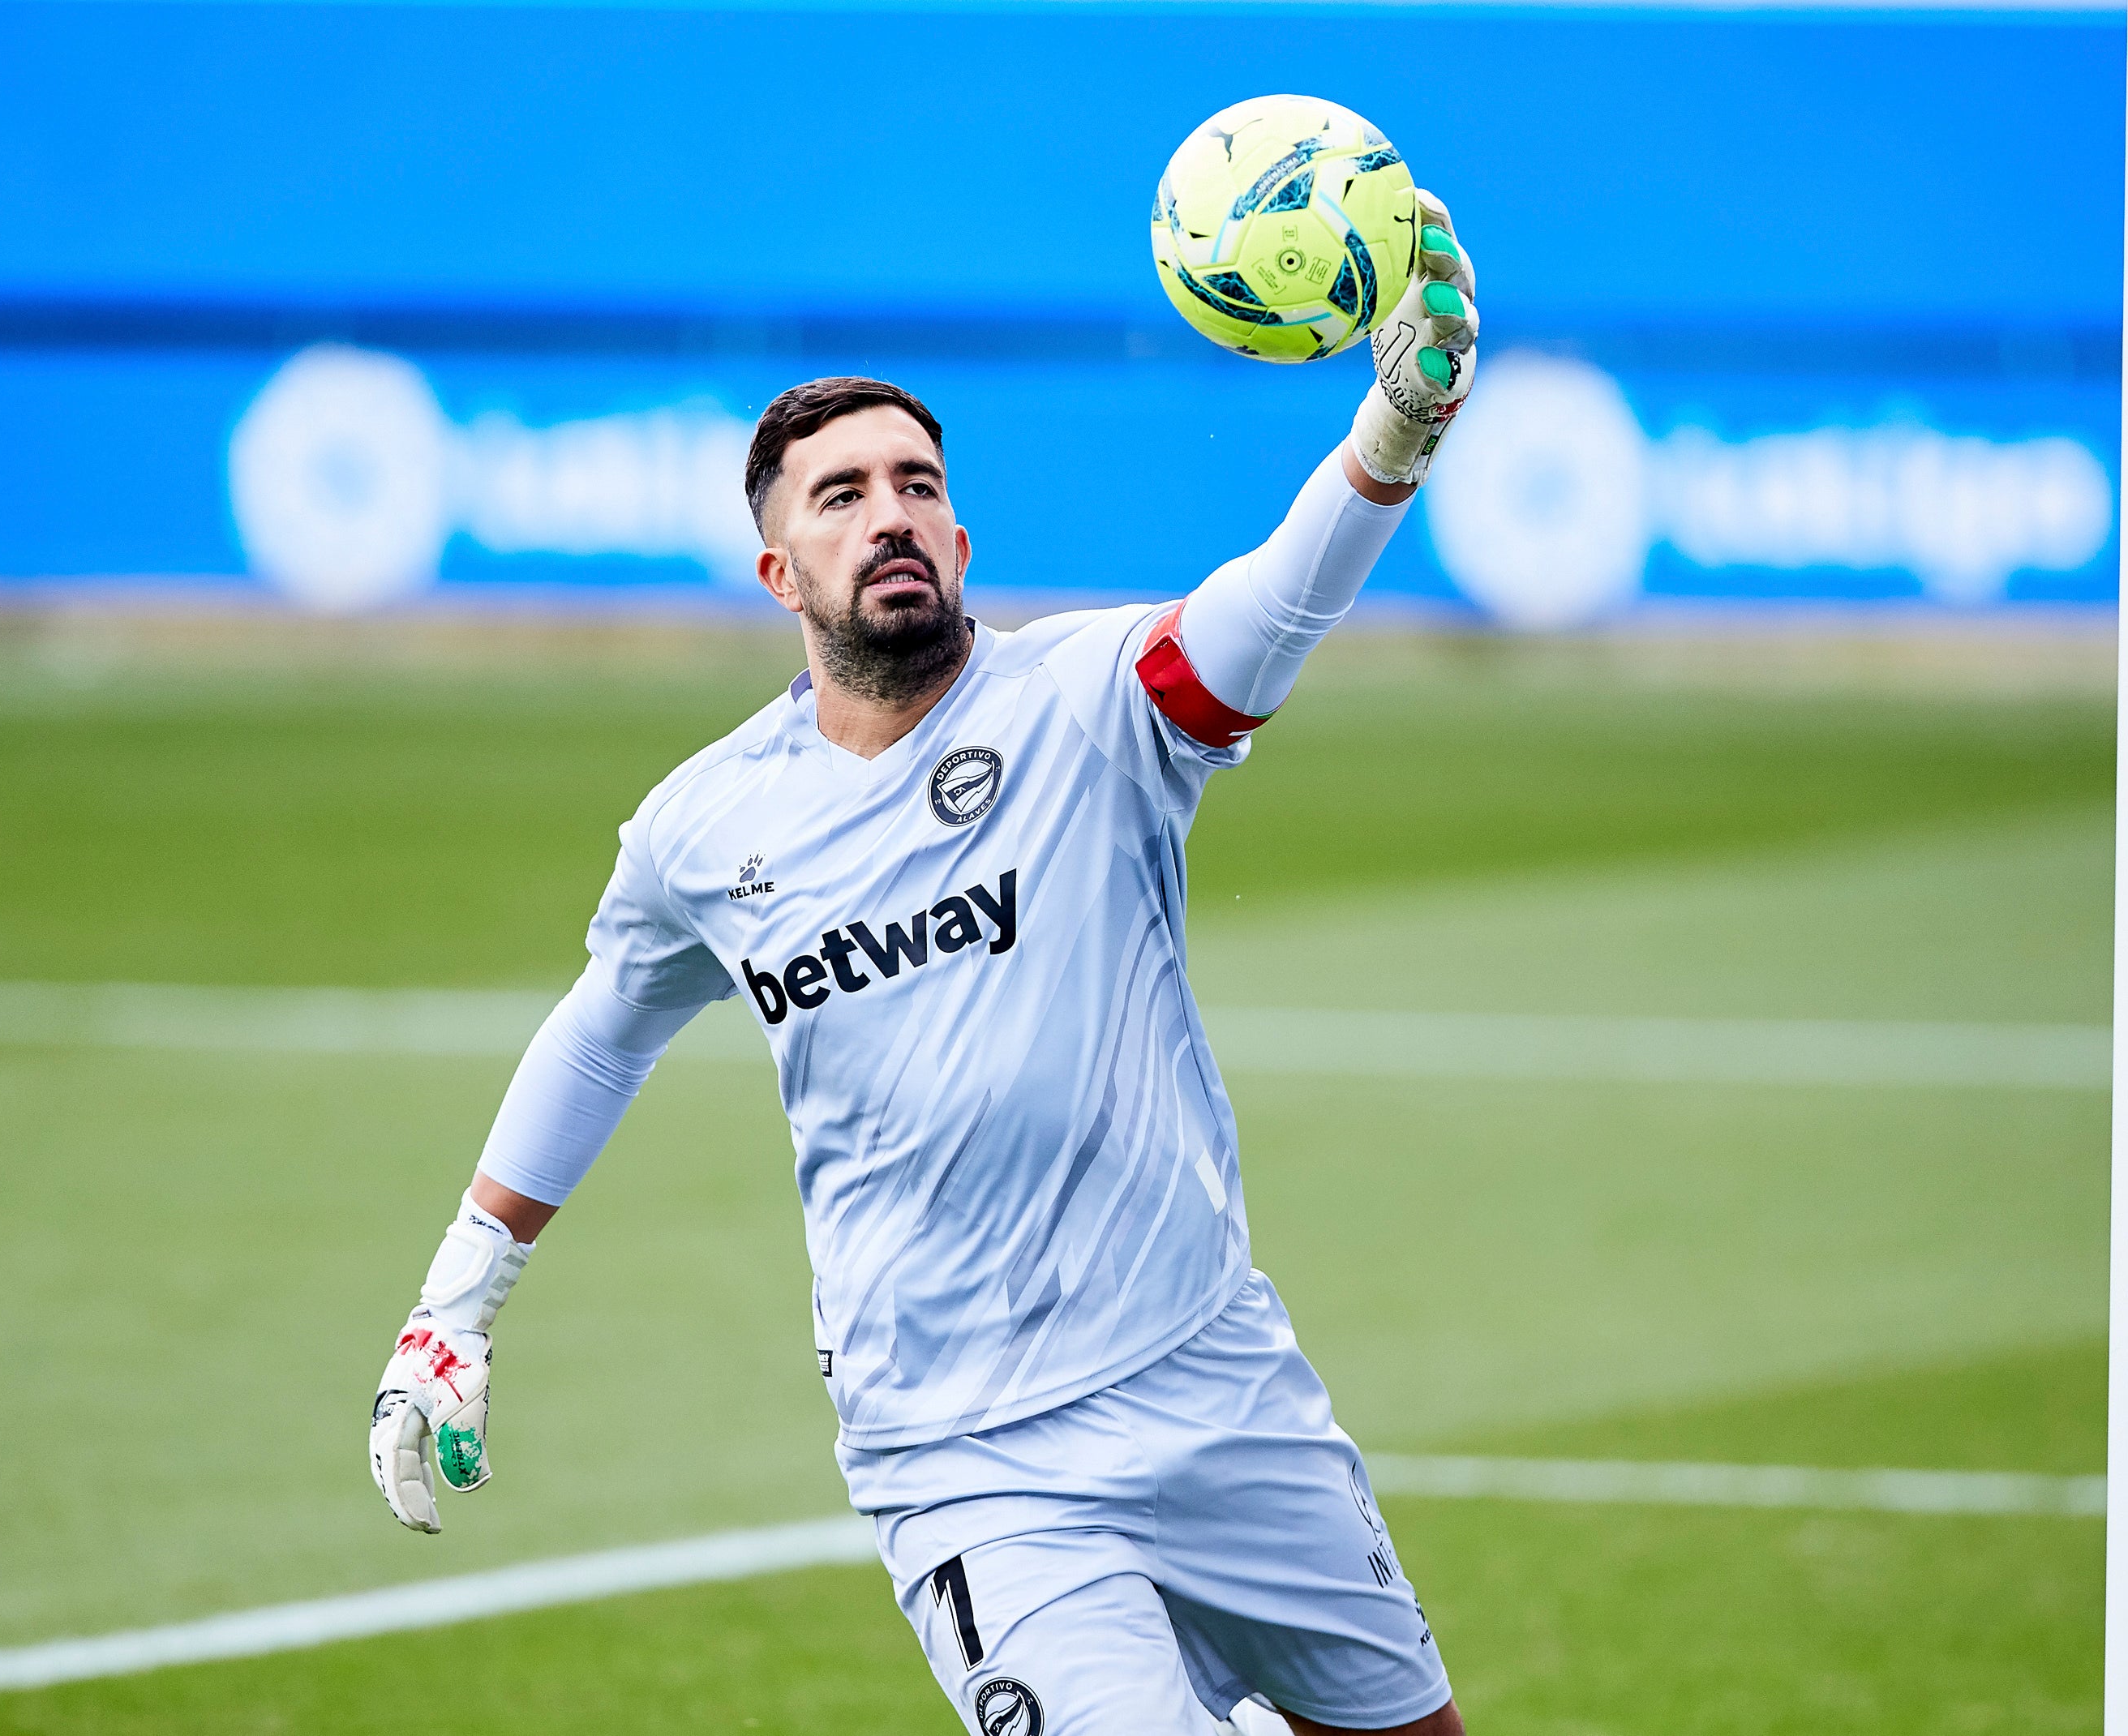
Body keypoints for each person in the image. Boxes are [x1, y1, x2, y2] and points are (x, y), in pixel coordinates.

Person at [369, 190, 1480, 1736]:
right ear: (780, 573)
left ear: (960, 541)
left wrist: (1398, 429)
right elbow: (602, 1029)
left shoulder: (1098, 703)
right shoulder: (704, 829)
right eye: (838, 495)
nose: (885, 511)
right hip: (967, 1457)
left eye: (915, 485)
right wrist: (459, 1299)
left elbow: (1278, 600)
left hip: (1219, 1387)